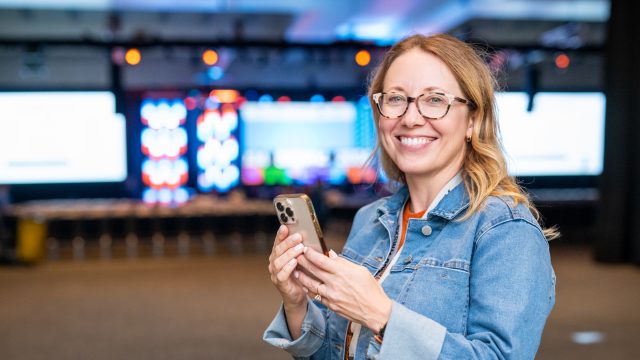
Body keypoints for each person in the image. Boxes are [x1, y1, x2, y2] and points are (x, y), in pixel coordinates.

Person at [264, 33, 556, 360]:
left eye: (434, 100)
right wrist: (296, 303)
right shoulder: (370, 219)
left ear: (473, 119)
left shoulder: (505, 230)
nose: (411, 118)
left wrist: (381, 316)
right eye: (396, 99)